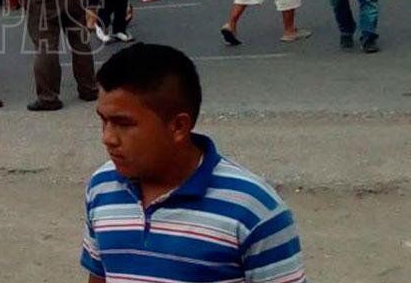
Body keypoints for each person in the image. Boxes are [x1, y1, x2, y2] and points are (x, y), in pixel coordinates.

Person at [83, 43, 305, 283]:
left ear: (178, 126)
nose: (107, 138)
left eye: (123, 124)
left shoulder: (254, 209)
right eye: (103, 120)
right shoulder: (102, 187)